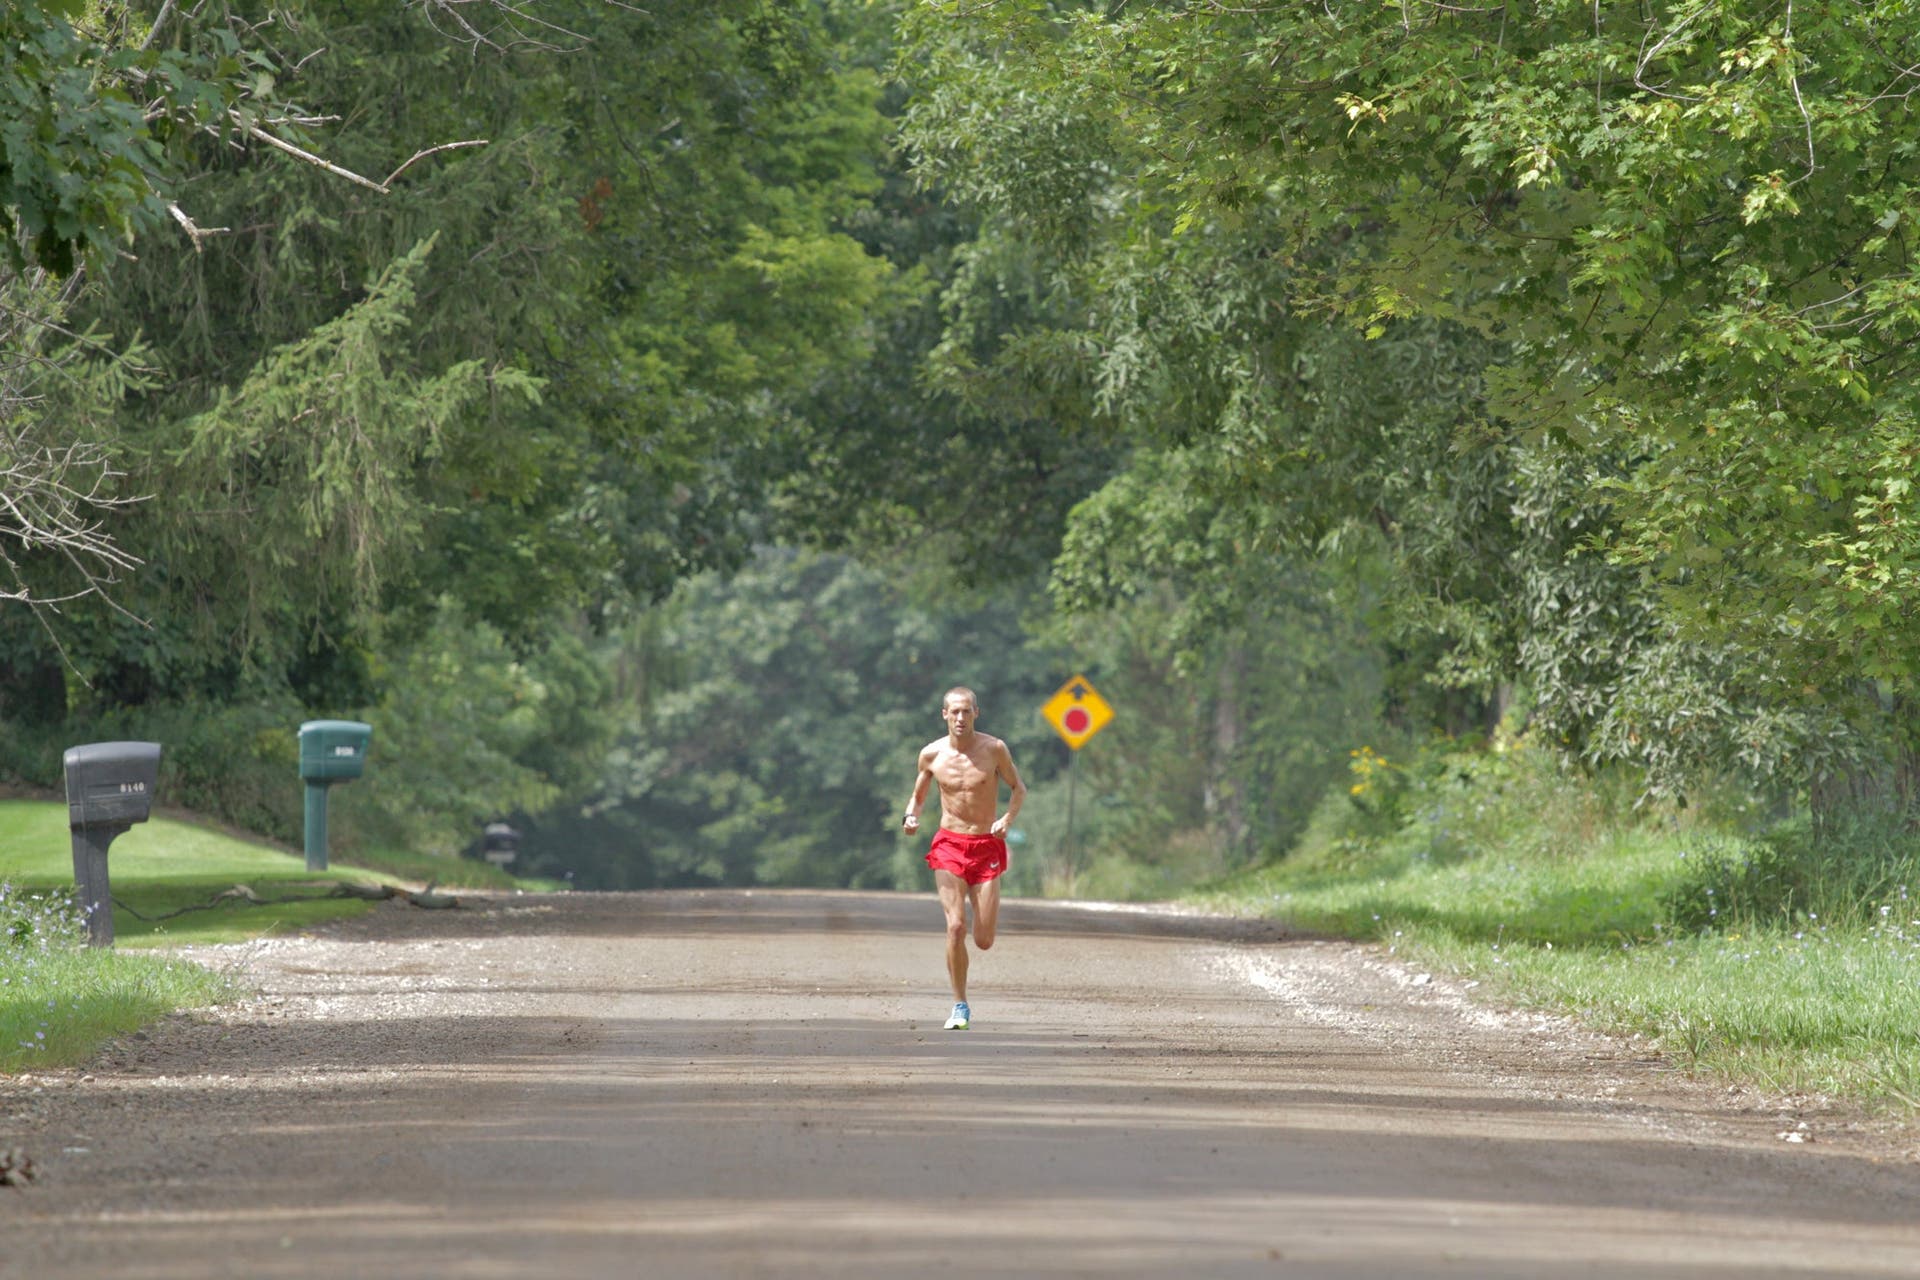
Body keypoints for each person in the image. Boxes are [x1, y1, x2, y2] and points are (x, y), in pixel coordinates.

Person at [902, 686, 1027, 1030]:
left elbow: (1019, 788)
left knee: (984, 940)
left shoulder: (994, 749)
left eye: (966, 711)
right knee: (955, 926)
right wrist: (910, 817)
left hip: (986, 844)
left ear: (976, 713)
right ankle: (960, 1005)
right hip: (949, 845)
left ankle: (978, 927)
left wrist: (1006, 820)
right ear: (944, 714)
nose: (960, 718)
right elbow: (917, 798)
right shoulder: (931, 755)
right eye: (954, 712)